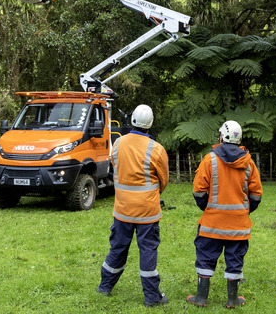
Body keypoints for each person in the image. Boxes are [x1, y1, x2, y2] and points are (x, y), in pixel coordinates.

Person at [97, 104, 169, 307]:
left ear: (131, 121)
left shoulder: (118, 143)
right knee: (147, 251)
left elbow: (116, 169)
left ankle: (105, 287)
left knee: (118, 248)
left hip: (122, 210)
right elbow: (163, 180)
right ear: (151, 124)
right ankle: (152, 297)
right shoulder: (156, 149)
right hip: (147, 212)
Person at [186, 120, 263, 308]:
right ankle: (232, 300)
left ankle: (201, 298)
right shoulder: (249, 163)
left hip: (211, 224)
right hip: (238, 226)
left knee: (205, 258)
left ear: (221, 137)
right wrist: (243, 211)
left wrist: (208, 208)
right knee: (235, 261)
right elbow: (256, 196)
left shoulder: (209, 160)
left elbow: (198, 192)